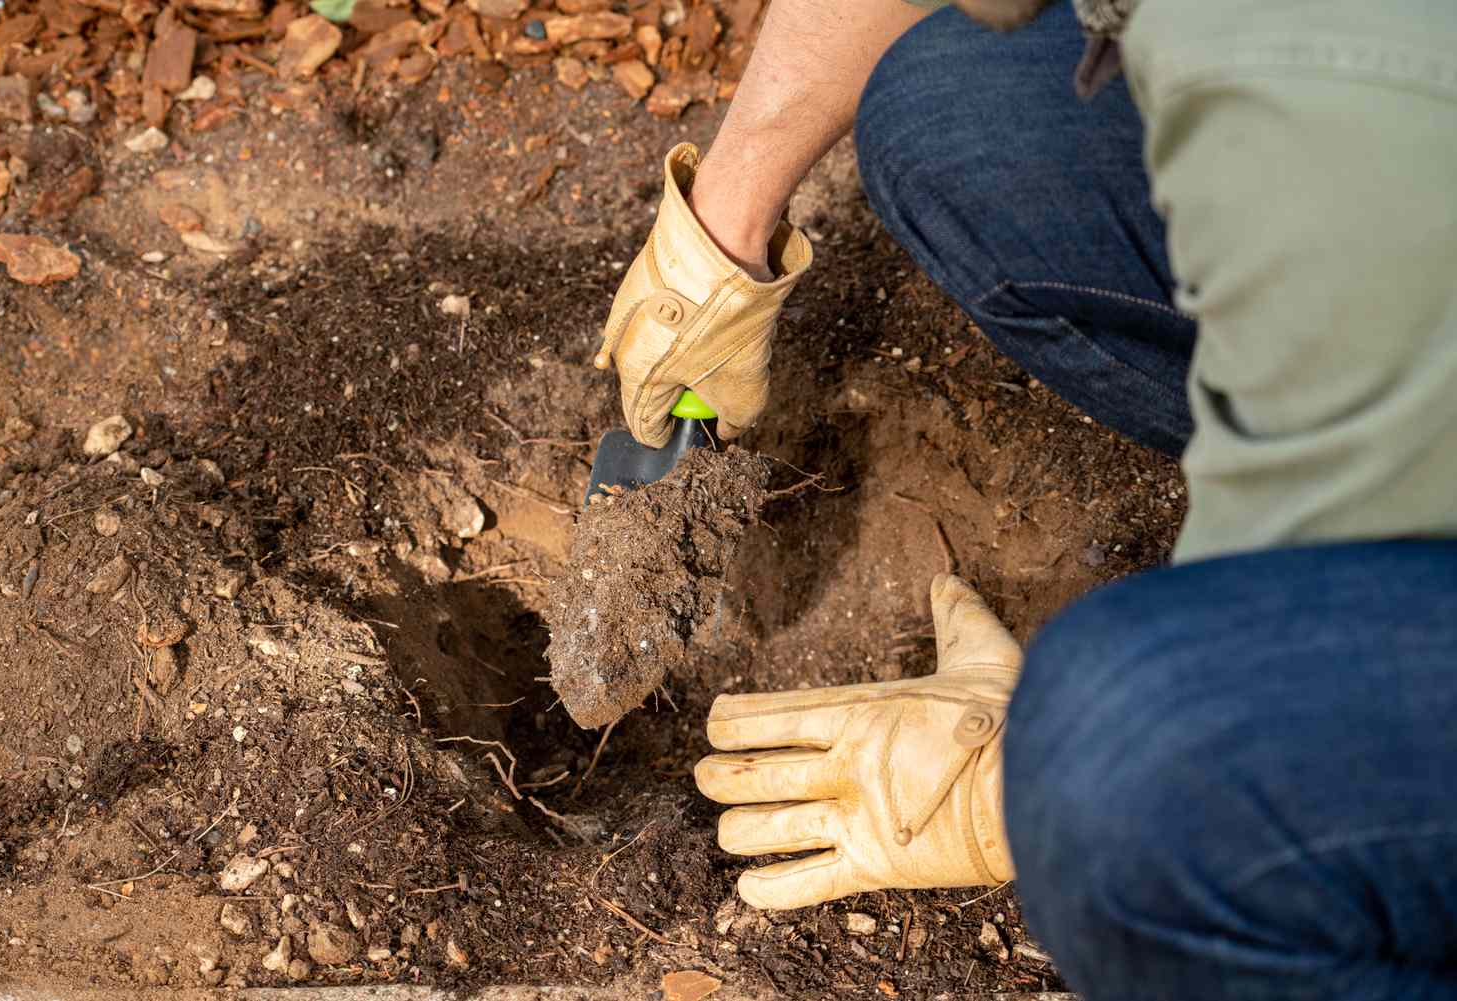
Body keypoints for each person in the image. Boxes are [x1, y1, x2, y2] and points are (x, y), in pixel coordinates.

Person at [594, 0, 1457, 997]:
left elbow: (1317, 592)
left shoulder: (1339, 109)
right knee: (955, 112)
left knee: (1131, 757)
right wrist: (721, 232)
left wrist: (1016, 783)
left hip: (1386, 214)